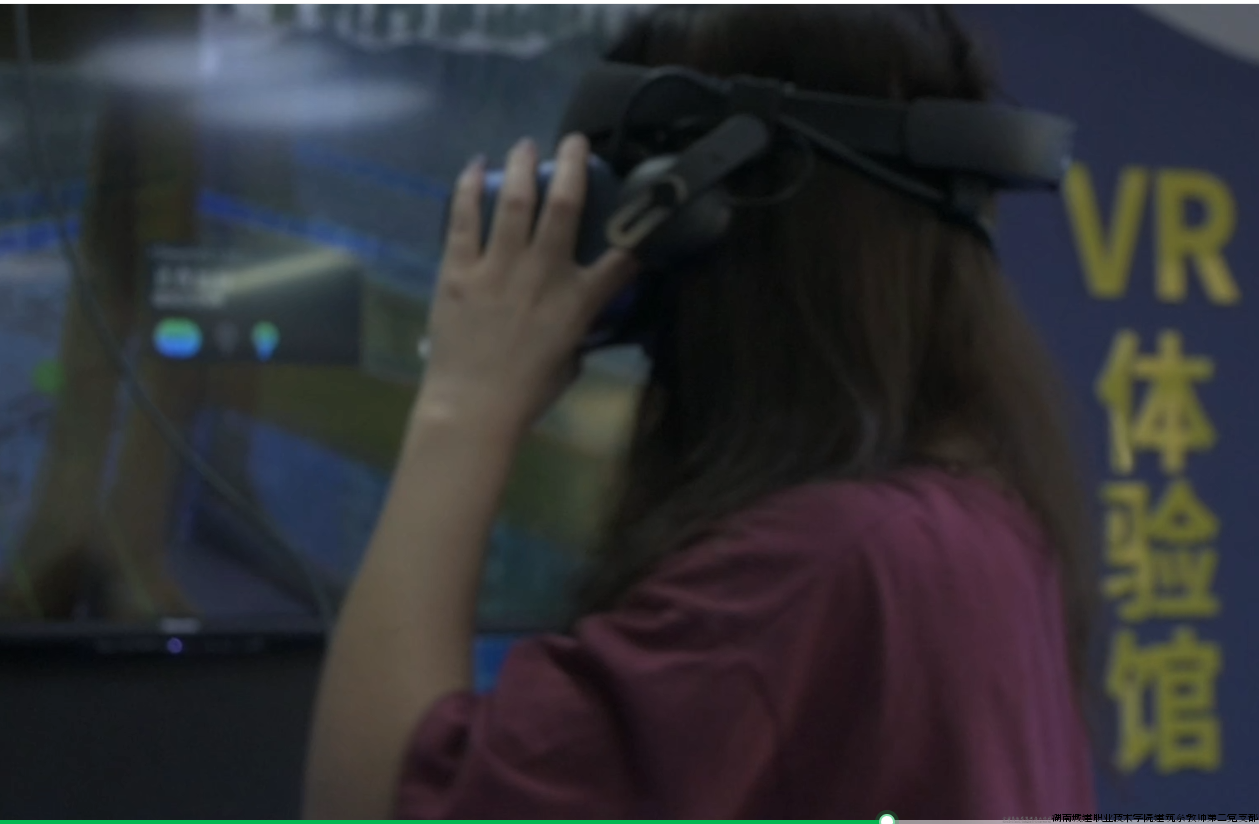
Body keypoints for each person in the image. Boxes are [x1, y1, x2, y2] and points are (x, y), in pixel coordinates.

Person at [304, 5, 1100, 819]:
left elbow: (378, 801)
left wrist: (464, 401)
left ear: (687, 214)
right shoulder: (980, 524)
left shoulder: (814, 566)